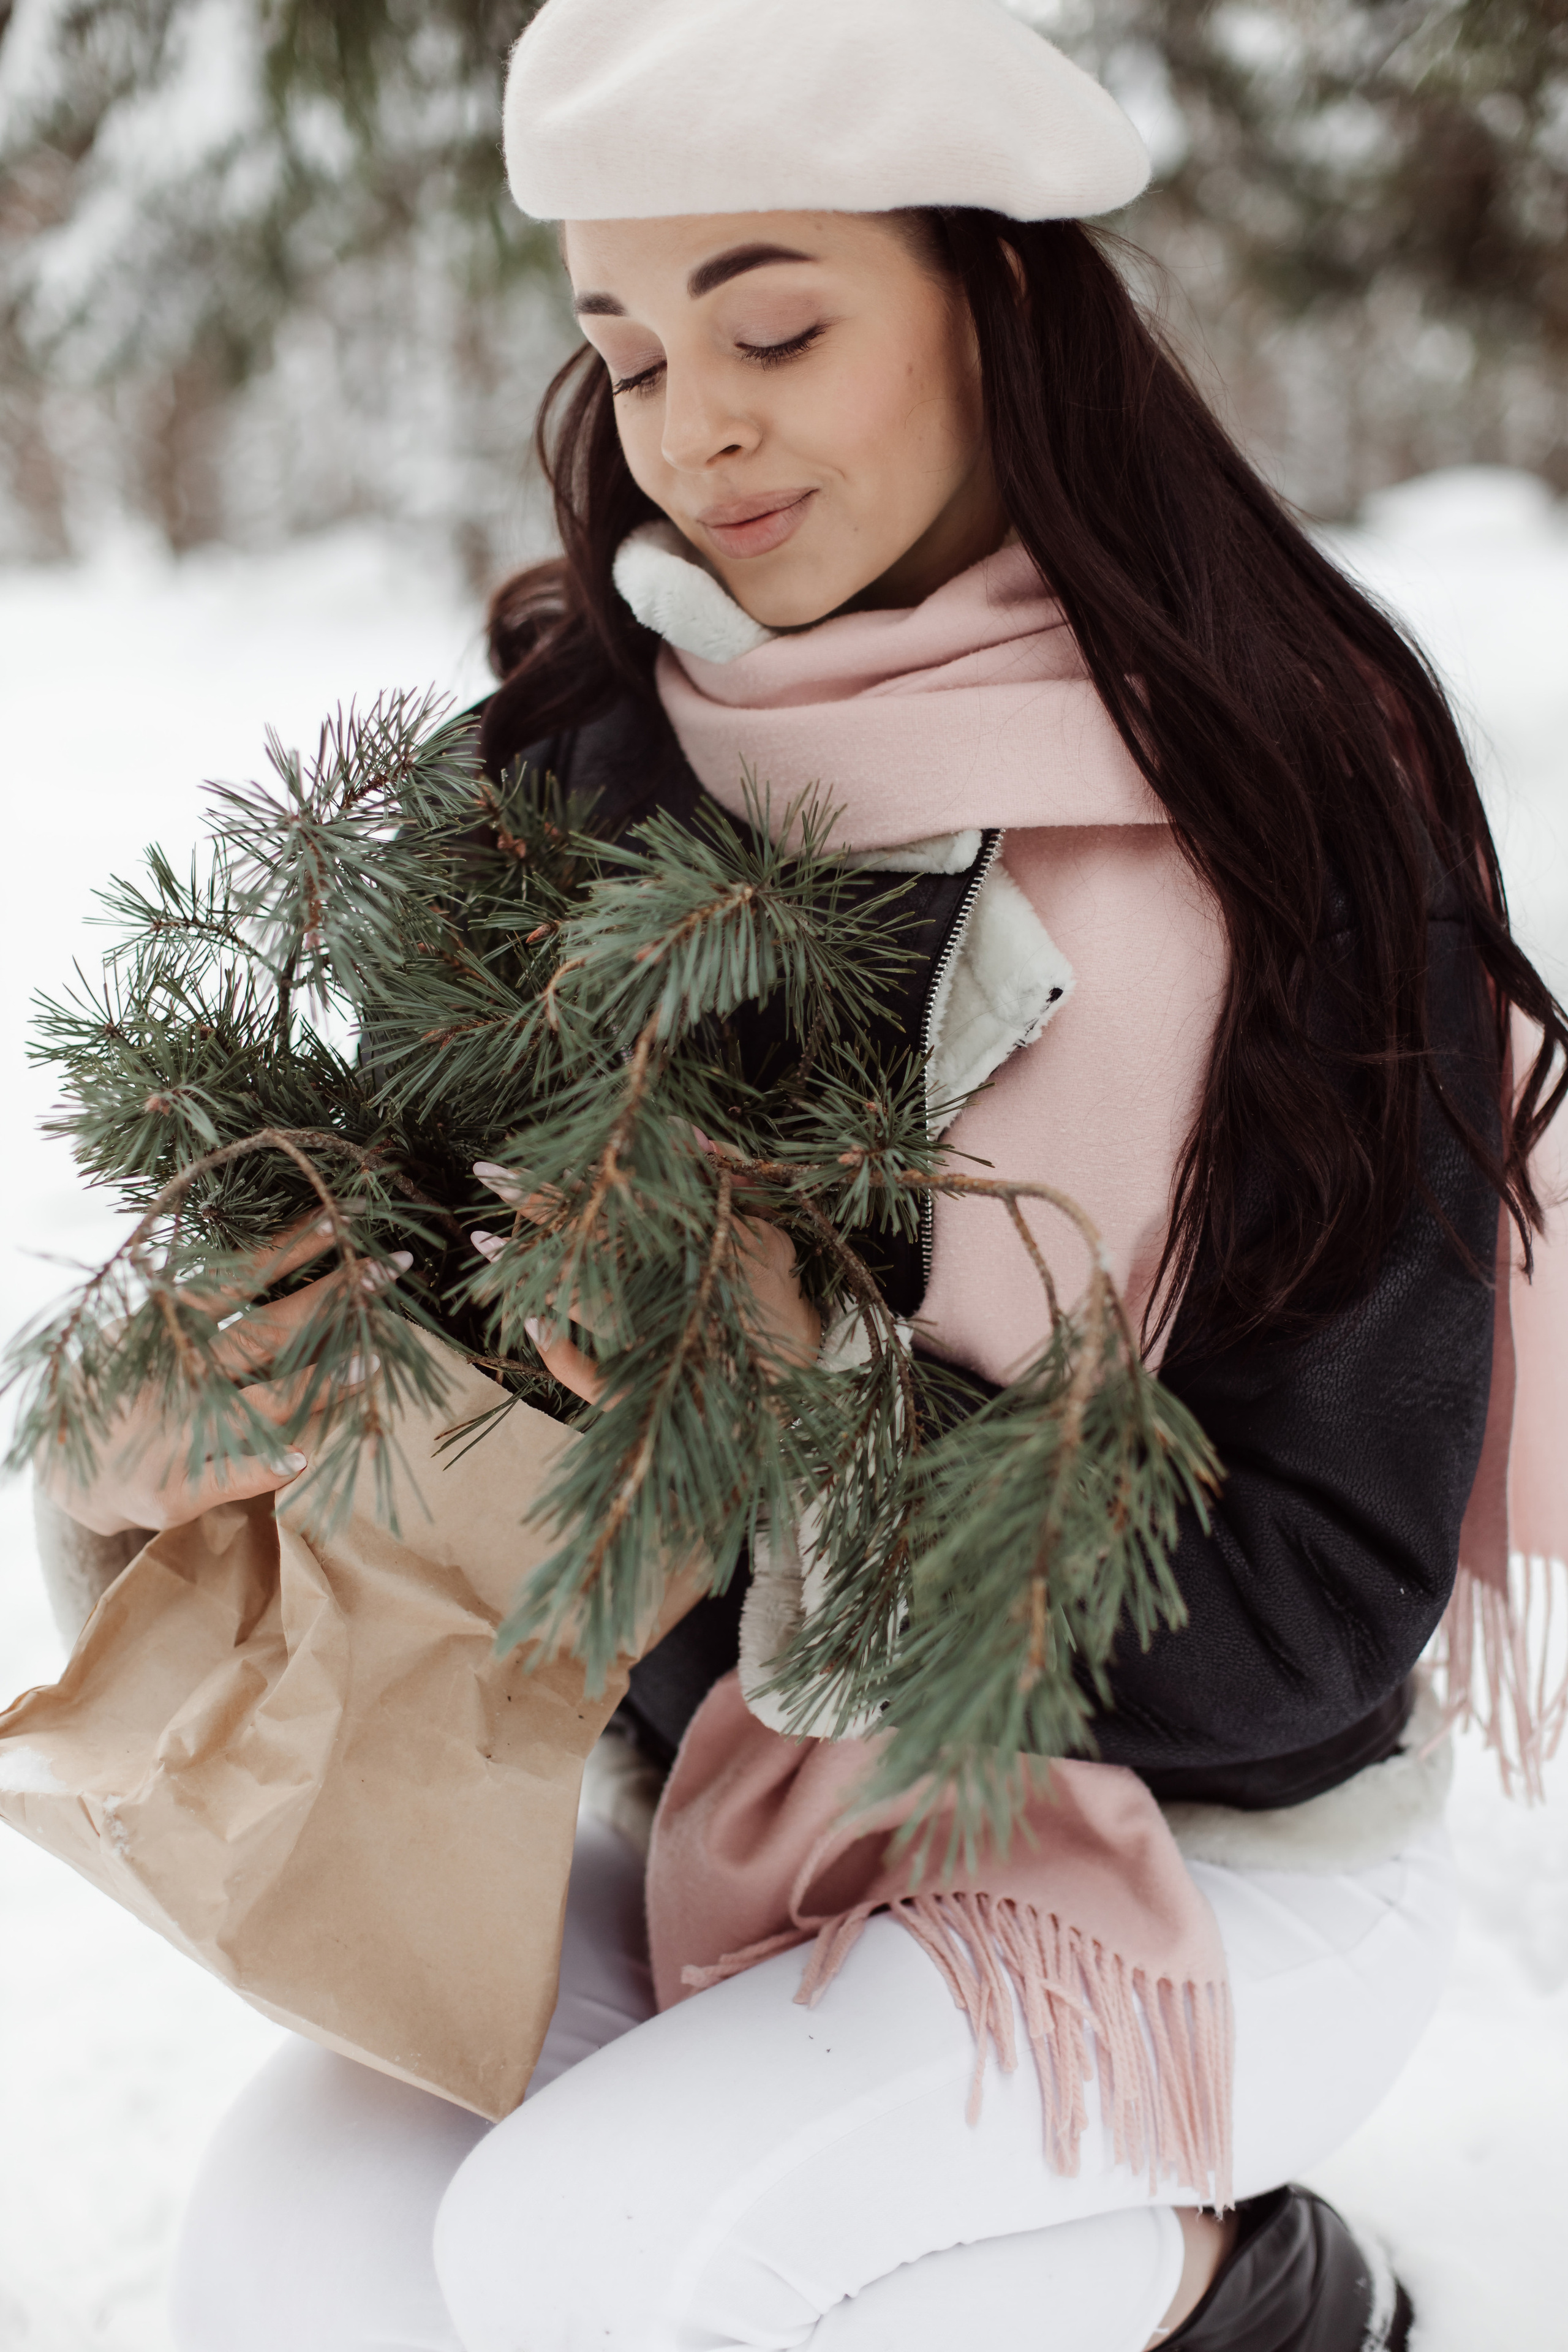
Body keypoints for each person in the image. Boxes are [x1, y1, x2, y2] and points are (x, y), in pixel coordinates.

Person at [37, 2, 1567, 2346]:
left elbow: (1317, 1618)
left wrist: (781, 1442)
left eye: (777, 323)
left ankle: (1245, 2289)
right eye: (633, 353)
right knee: (292, 2263)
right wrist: (225, 1423)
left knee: (595, 2260)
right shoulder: (575, 773)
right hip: (717, 1836)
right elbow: (475, 1416)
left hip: (1205, 1865)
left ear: (1006, 297)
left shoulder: (1297, 816)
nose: (699, 426)